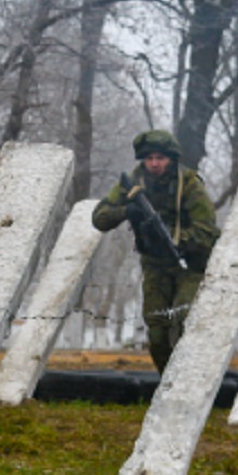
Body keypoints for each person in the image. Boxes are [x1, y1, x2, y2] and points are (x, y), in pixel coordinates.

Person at [92, 130, 220, 373]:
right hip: (154, 264)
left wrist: (173, 238)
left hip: (190, 264)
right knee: (157, 327)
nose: (154, 164)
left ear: (171, 158)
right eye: (149, 158)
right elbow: (99, 218)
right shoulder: (133, 182)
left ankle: (189, 379)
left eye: (160, 158)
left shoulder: (189, 184)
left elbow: (206, 232)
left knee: (184, 320)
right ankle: (167, 381)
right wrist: (127, 211)